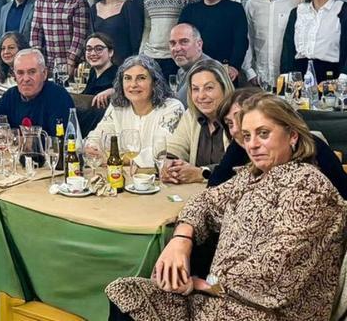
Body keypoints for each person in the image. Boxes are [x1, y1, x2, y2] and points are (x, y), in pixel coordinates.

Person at [106, 93, 347, 321]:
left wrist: (203, 283)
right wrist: (181, 239)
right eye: (247, 135)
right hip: (220, 299)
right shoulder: (252, 176)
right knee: (126, 293)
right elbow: (205, 202)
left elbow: (275, 271)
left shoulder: (307, 185)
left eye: (263, 133)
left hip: (265, 311)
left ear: (292, 136)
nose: (252, 145)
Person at [209, 88, 347, 198]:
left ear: (291, 135)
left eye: (263, 132)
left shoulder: (307, 179)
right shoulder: (241, 146)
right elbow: (212, 192)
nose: (236, 129)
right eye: (229, 123)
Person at [84, 55, 184, 165]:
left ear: (155, 82)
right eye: (127, 78)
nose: (133, 85)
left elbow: (162, 151)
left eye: (141, 78)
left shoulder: (172, 107)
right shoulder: (117, 106)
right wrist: (93, 147)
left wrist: (119, 159)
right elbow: (99, 135)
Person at [164, 60, 234, 184]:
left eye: (209, 88)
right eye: (195, 89)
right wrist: (169, 165)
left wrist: (202, 173)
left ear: (224, 87)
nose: (201, 96)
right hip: (198, 194)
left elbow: (243, 167)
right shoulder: (191, 115)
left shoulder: (240, 118)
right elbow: (175, 148)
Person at [242, 0, 303, 87]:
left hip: (291, 75)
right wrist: (249, 71)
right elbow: (248, 39)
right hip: (261, 77)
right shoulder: (252, 4)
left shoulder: (299, 0)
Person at [178, 0, 248, 81]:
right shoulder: (189, 11)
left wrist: (235, 66)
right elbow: (181, 40)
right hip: (194, 69)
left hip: (225, 71)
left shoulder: (235, 9)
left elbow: (241, 41)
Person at [0, 49, 74, 136]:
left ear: (44, 73)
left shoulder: (58, 96)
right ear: (14, 76)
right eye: (20, 73)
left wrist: (14, 139)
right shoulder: (11, 95)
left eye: (32, 72)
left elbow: (59, 141)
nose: (26, 79)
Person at [280, 0, 347, 81]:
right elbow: (288, 47)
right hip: (299, 74)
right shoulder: (297, 12)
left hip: (334, 74)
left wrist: (344, 75)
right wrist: (286, 74)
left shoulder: (342, 10)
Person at [140, 0, 201, 77]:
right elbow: (147, 27)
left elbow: (196, 30)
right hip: (151, 57)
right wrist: (141, 54)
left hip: (177, 56)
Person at [30, 0, 90, 76]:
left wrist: (71, 62)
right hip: (47, 63)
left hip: (70, 63)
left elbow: (80, 35)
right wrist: (36, 57)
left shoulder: (78, 1)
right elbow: (36, 30)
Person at [88, 0, 142, 65]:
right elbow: (91, 40)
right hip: (100, 65)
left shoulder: (129, 6)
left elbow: (136, 41)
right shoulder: (93, 9)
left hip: (124, 64)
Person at [170, 23, 212, 105]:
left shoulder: (205, 69)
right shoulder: (182, 69)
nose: (177, 48)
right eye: (173, 43)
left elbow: (179, 105)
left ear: (199, 44)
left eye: (184, 42)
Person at [82, 33, 117, 106]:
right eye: (89, 49)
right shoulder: (93, 72)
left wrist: (114, 91)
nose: (93, 53)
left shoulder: (118, 74)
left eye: (99, 49)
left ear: (110, 52)